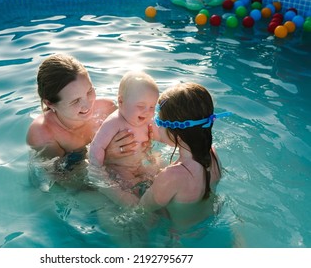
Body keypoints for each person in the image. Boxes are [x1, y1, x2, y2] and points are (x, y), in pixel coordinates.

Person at [26, 53, 151, 189]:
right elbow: (63, 182)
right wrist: (106, 157)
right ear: (50, 103)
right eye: (75, 101)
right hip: (90, 187)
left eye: (89, 91)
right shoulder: (43, 134)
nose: (88, 105)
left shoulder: (106, 109)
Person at [139, 82, 231, 230]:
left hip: (180, 241)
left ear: (178, 134)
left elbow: (141, 209)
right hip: (210, 223)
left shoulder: (171, 176)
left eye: (159, 121)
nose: (157, 126)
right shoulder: (213, 155)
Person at [88, 71, 160, 200]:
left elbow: (162, 135)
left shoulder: (147, 120)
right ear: (121, 102)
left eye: (152, 107)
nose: (147, 111)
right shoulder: (114, 122)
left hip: (140, 165)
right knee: (132, 193)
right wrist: (97, 169)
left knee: (160, 175)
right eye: (141, 106)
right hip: (120, 169)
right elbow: (96, 146)